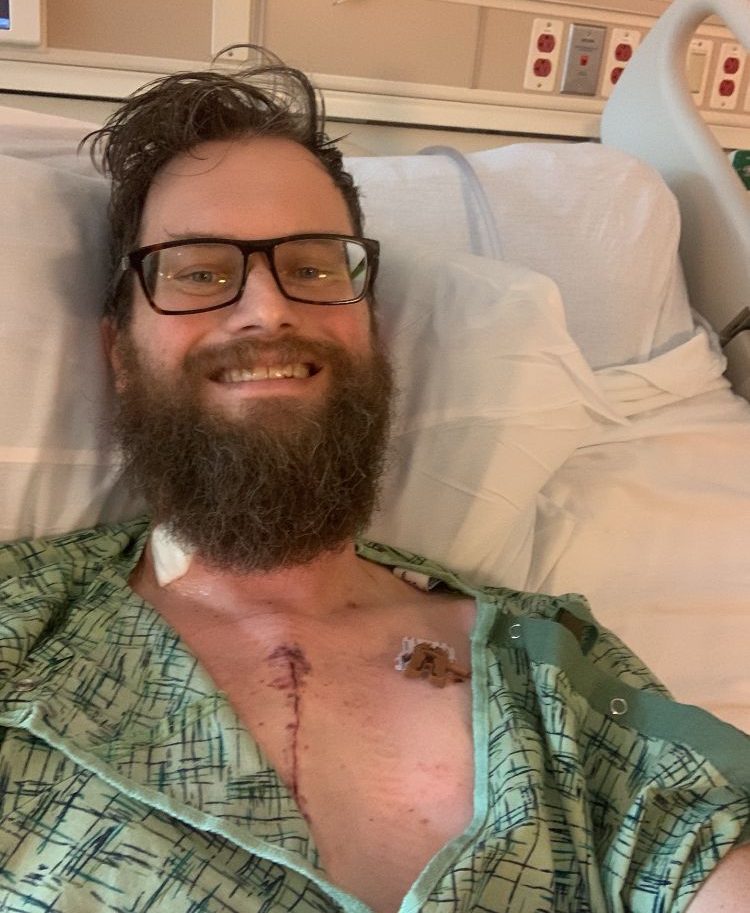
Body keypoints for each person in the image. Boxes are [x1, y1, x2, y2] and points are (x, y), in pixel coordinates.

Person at [0, 52, 748, 913]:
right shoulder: (24, 626)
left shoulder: (550, 673)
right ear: (119, 358)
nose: (266, 307)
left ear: (374, 336)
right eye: (199, 271)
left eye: (316, 267)